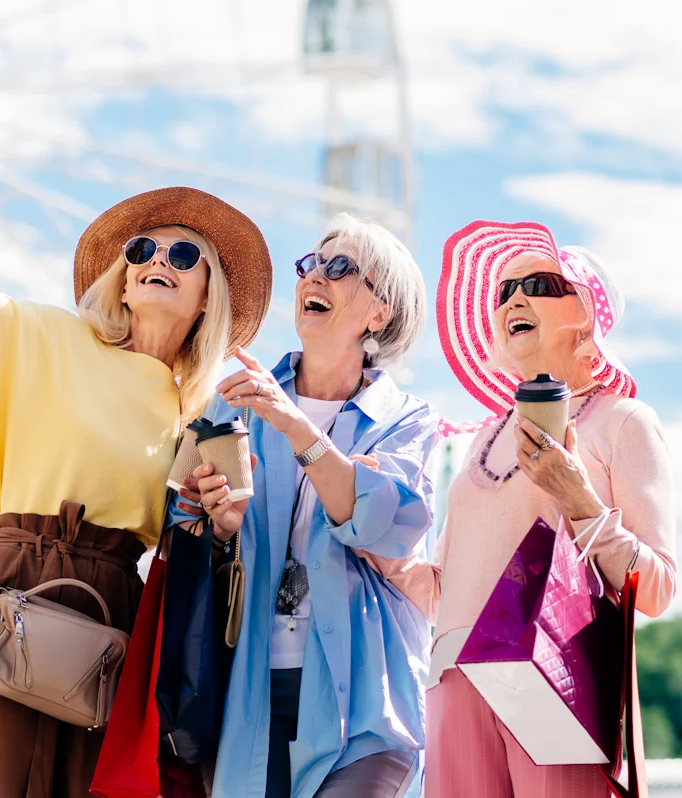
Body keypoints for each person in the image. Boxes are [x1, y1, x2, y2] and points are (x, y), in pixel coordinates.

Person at [0, 101, 274, 797]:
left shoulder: (202, 413)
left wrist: (220, 516)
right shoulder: (45, 338)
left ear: (211, 295)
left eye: (184, 256)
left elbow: (206, 542)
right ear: (121, 273)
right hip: (10, 590)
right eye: (142, 250)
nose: (157, 262)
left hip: (112, 618)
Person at [176, 214, 439, 797]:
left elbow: (379, 524)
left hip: (370, 702)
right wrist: (219, 526)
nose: (315, 276)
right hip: (246, 695)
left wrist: (294, 425)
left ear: (379, 313)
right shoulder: (234, 405)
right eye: (311, 265)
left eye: (340, 268)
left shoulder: (408, 422)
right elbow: (180, 524)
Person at [415, 220, 677, 797]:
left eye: (537, 283)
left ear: (585, 312)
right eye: (504, 291)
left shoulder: (625, 423)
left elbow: (656, 588)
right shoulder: (481, 441)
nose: (514, 299)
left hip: (554, 679)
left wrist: (577, 496)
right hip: (451, 681)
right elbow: (441, 588)